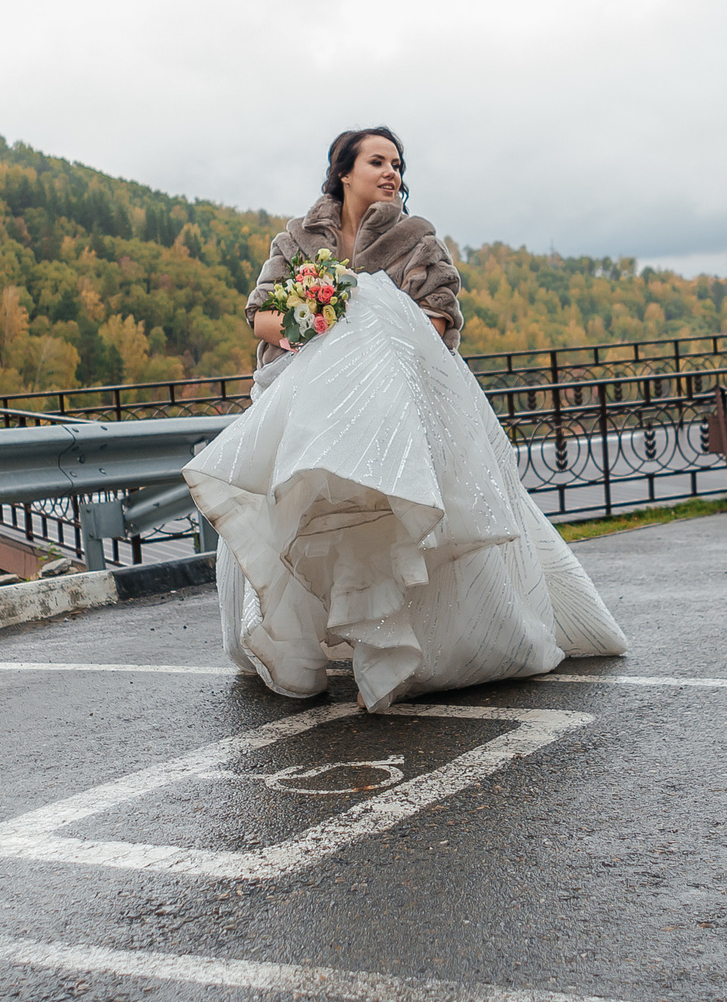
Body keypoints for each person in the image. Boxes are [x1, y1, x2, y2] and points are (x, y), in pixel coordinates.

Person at [184, 128, 629, 711]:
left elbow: (440, 320)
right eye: (377, 161)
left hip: (398, 406)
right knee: (305, 500)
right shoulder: (297, 239)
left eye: (397, 163)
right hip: (313, 407)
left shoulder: (417, 239)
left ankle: (439, 643)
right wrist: (318, 319)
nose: (392, 172)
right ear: (344, 171)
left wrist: (369, 318)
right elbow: (263, 316)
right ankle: (309, 636)